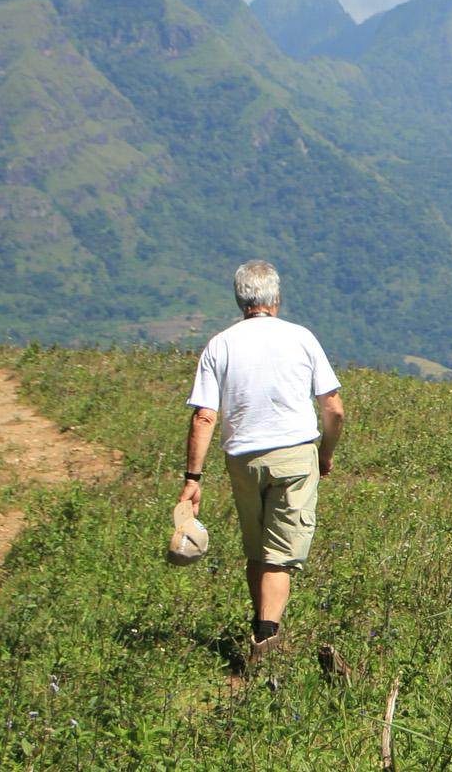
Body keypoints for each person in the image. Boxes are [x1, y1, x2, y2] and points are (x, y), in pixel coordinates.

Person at [179, 260, 345, 666]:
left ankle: (260, 625)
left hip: (242, 459)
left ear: (240, 300)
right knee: (280, 555)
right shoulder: (301, 338)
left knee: (257, 550)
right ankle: (266, 643)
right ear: (276, 298)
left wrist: (192, 479)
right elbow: (334, 408)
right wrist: (325, 453)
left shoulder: (220, 344)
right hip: (294, 454)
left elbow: (204, 415)